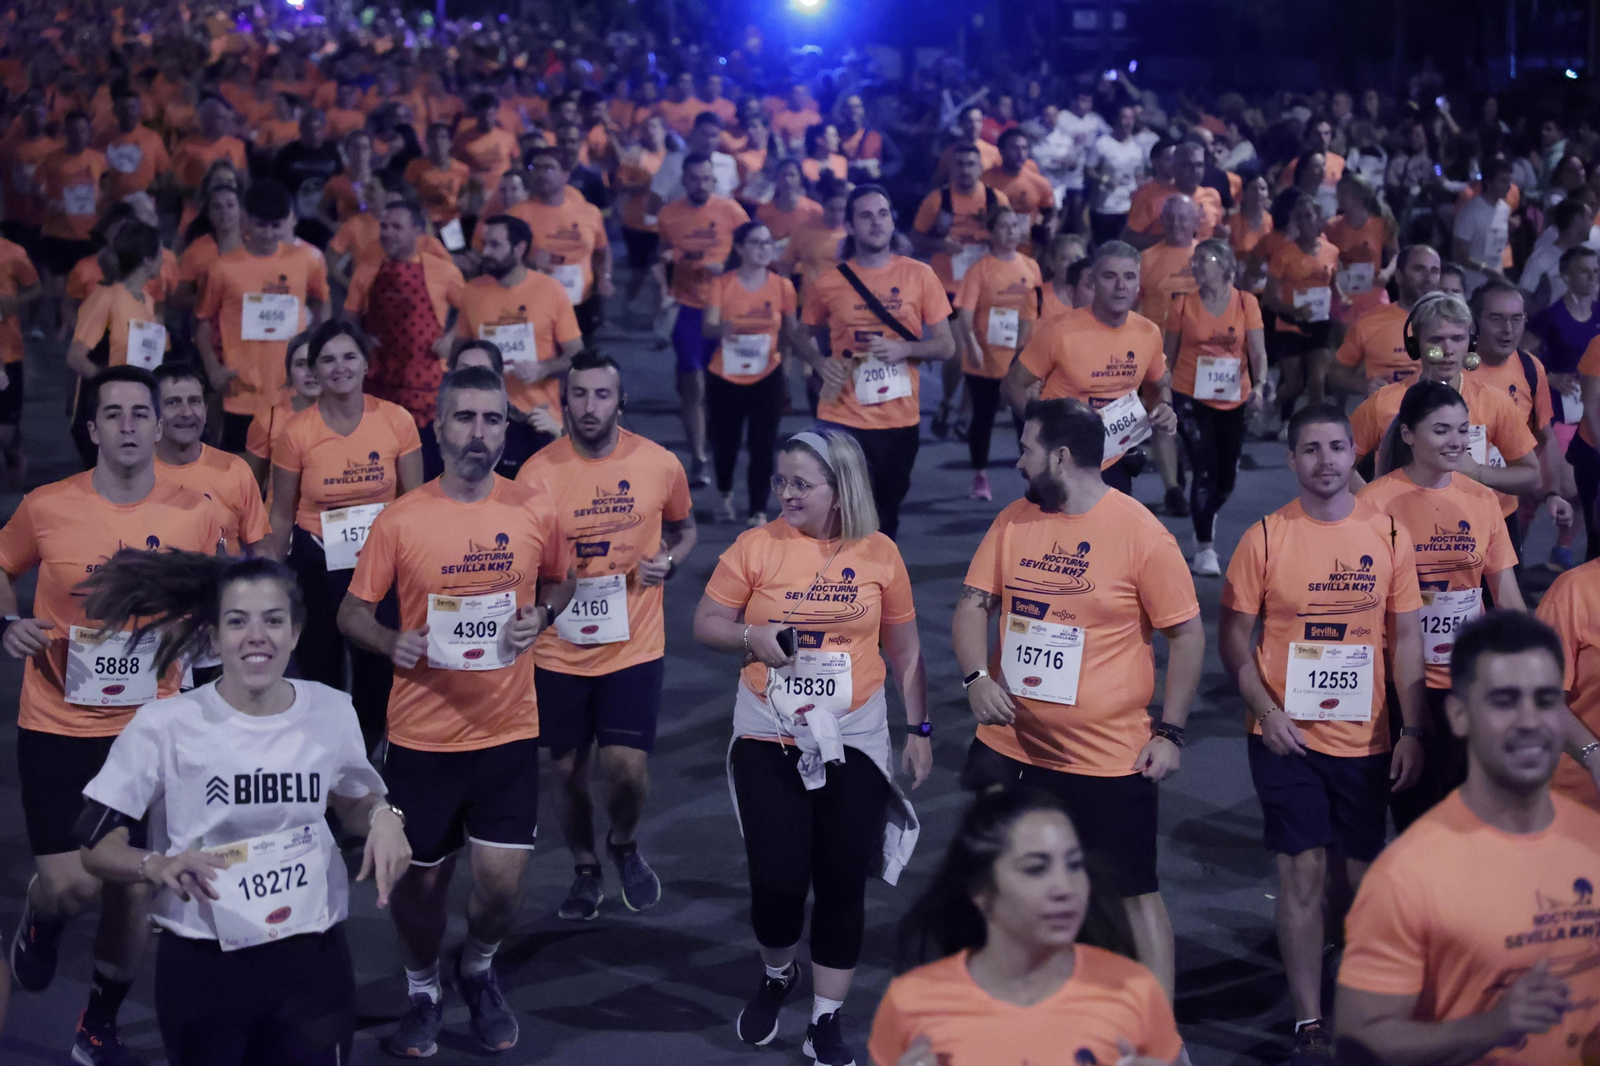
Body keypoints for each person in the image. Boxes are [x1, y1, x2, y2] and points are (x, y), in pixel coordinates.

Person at [73, 549, 411, 1063]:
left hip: (312, 957)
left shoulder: (331, 709)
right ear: (213, 636)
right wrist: (155, 864)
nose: (258, 636)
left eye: (273, 621)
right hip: (205, 965)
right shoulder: (164, 726)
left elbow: (355, 800)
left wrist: (385, 817)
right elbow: (95, 845)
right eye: (238, 622)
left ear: (295, 633)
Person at [336, 363, 571, 1056]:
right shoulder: (401, 519)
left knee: (500, 888)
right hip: (422, 739)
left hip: (507, 732)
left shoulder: (533, 507)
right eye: (464, 418)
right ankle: (421, 988)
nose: (479, 432)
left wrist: (542, 615)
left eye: (492, 419)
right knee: (420, 889)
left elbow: (561, 579)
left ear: (506, 428)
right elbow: (351, 612)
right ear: (438, 428)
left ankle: (478, 968)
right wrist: (388, 639)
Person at [1, 366, 225, 1066]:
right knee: (71, 884)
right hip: (59, 723)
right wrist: (7, 620)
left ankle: (99, 1021)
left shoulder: (197, 511)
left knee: (133, 889)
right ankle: (41, 918)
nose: (128, 425)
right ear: (92, 429)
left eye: (140, 413)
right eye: (114, 414)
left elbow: (209, 603)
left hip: (152, 729)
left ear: (159, 426)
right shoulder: (45, 506)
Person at [693, 427, 929, 1066]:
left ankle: (826, 1018)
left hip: (853, 735)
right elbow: (706, 622)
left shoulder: (879, 553)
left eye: (802, 483)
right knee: (776, 880)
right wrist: (751, 635)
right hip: (769, 731)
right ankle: (777, 976)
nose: (786, 493)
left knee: (841, 881)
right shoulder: (756, 546)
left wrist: (921, 729)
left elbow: (905, 651)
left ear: (840, 488)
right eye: (781, 481)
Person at [952, 396, 1202, 998]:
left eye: (1027, 450)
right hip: (1011, 747)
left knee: (1133, 899)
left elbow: (1187, 634)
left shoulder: (1143, 535)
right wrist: (975, 679)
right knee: (997, 887)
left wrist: (1169, 733)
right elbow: (971, 606)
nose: (1017, 463)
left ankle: (1157, 1040)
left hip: (1108, 758)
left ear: (1060, 457)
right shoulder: (1013, 520)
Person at [1218, 402, 1428, 1066]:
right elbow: (1232, 644)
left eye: (1338, 448)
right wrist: (1267, 710)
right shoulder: (1265, 538)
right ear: (1292, 460)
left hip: (1367, 737)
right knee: (1302, 869)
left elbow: (1406, 641)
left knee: (1357, 879)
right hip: (1286, 738)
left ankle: (1363, 984)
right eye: (1312, 450)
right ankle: (1309, 1020)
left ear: (1352, 454)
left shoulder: (1388, 535)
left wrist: (1413, 727)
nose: (1328, 461)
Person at [1336, 611, 1600, 1066]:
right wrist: (1492, 1026)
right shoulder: (1406, 876)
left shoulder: (1591, 843)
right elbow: (1362, 1041)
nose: (1529, 721)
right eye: (1503, 700)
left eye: (1545, 700)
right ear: (1459, 714)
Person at [517, 352, 695, 919]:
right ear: (562, 401)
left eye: (601, 395)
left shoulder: (660, 464)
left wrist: (670, 558)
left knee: (626, 769)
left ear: (621, 402)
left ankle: (622, 841)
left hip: (633, 643)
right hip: (557, 648)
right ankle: (585, 867)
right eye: (578, 395)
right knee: (565, 769)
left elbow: (685, 529)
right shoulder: (536, 474)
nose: (589, 406)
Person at [870, 788, 1185, 1066]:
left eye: (1074, 864)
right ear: (982, 891)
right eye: (1036, 868)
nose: (1064, 887)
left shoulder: (1131, 995)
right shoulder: (916, 1004)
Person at [1359, 381, 1523, 831]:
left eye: (1462, 430)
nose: (1455, 442)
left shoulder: (1482, 499)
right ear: (1409, 434)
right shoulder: (1374, 503)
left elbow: (1505, 593)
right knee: (1413, 813)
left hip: (1469, 679)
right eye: (1441, 431)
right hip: (1400, 680)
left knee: (1471, 813)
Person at [263, 320, 423, 750]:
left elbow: (416, 505)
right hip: (318, 568)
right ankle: (330, 773)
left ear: (366, 364)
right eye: (328, 359)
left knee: (377, 679)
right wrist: (272, 581)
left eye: (349, 356)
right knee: (322, 676)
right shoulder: (297, 432)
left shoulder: (397, 421)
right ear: (314, 369)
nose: (340, 367)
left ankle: (367, 762)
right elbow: (280, 513)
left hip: (383, 572)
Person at [797, 185, 958, 539]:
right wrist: (819, 362)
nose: (876, 223)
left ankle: (879, 585)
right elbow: (799, 333)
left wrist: (904, 349)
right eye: (866, 216)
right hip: (841, 416)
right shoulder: (829, 282)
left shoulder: (919, 275)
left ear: (892, 221)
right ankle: (843, 586)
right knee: (847, 512)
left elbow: (946, 347)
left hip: (899, 417)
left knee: (886, 515)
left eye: (883, 214)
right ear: (851, 226)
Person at [1001, 241, 1177, 496]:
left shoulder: (1148, 333)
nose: (1120, 286)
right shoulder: (1058, 331)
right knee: (1057, 536)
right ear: (1094, 282)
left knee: (1109, 535)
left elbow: (1159, 384)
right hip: (1062, 464)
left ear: (1139, 283)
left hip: (1114, 459)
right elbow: (1012, 386)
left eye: (1129, 277)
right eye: (1109, 276)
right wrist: (1043, 435)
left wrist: (1165, 407)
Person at [1350, 292, 1540, 513]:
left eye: (1458, 339)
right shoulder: (1383, 403)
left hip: (1483, 524)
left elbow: (1531, 475)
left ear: (1470, 342)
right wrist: (1373, 504)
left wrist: (1479, 472)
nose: (1448, 350)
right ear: (1416, 345)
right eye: (1436, 339)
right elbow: (1341, 465)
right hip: (1407, 525)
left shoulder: (1493, 402)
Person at [196, 179, 329, 452]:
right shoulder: (223, 268)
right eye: (261, 225)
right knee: (240, 476)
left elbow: (323, 300)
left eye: (276, 226)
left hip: (297, 391)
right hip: (244, 392)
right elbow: (202, 322)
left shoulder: (307, 259)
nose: (268, 234)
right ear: (245, 220)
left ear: (289, 221)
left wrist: (318, 345)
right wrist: (213, 369)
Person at [1165, 239, 1270, 576]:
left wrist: (1260, 384)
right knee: (1204, 467)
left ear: (1225, 265)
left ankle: (1206, 512)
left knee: (1225, 478)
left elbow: (1257, 353)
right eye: (1194, 260)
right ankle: (1204, 547)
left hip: (1232, 396)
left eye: (1205, 259)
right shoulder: (1182, 305)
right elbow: (1167, 354)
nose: (1197, 265)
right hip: (1189, 395)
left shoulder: (1245, 302)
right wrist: (1163, 395)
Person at [656, 154, 751, 486]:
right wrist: (668, 267)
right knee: (692, 384)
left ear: (714, 180)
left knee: (723, 386)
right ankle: (698, 457)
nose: (700, 184)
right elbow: (662, 255)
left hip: (725, 308)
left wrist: (727, 270)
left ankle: (719, 441)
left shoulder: (732, 212)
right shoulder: (669, 215)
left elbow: (750, 251)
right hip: (687, 307)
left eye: (706, 178)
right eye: (694, 178)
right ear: (684, 180)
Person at [447, 214, 579, 441]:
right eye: (485, 244)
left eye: (495, 245)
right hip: (487, 415)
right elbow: (457, 354)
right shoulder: (472, 291)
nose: (486, 252)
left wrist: (542, 369)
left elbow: (576, 354)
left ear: (519, 248)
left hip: (539, 414)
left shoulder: (551, 290)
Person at [703, 221, 802, 523]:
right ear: (740, 248)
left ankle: (758, 508)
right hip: (725, 375)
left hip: (766, 373)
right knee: (727, 441)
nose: (764, 249)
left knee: (763, 443)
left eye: (768, 243)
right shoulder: (722, 284)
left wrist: (790, 366)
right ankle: (724, 493)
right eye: (756, 243)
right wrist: (723, 328)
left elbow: (792, 331)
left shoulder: (782, 286)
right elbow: (707, 328)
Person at [912, 142, 1008, 441]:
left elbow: (1009, 235)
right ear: (951, 168)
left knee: (980, 351)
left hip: (985, 285)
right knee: (957, 351)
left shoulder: (995, 198)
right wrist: (942, 245)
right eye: (959, 164)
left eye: (971, 164)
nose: (965, 170)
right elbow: (915, 239)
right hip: (949, 287)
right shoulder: (937, 200)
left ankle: (965, 414)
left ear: (981, 168)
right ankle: (945, 403)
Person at [343, 197, 466, 427]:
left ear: (417, 231)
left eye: (396, 227)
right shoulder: (366, 270)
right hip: (377, 376)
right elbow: (349, 317)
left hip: (426, 379)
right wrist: (360, 340)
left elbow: (472, 309)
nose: (387, 233)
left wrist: (450, 338)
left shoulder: (444, 271)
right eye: (385, 226)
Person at [1465, 281, 1565, 553]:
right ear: (1474, 323)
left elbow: (1545, 438)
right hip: (1452, 509)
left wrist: (1553, 493)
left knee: (1504, 594)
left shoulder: (1531, 368)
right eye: (1496, 319)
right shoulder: (1452, 366)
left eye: (1516, 318)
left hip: (1504, 511)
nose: (1508, 330)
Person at [952, 205, 1041, 501]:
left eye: (1014, 225)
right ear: (991, 233)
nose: (1010, 231)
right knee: (984, 418)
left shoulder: (1030, 267)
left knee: (1026, 420)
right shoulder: (980, 269)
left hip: (1021, 359)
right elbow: (964, 311)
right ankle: (980, 475)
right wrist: (972, 345)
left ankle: (1033, 479)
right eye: (1003, 226)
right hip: (985, 358)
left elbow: (1038, 312)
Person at [64, 222, 168, 468]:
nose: (164, 259)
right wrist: (114, 382)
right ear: (146, 260)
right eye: (161, 253)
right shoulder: (106, 298)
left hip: (137, 415)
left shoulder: (149, 303)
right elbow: (76, 357)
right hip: (102, 415)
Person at [153, 363, 269, 557]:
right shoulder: (133, 473)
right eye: (173, 402)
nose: (187, 412)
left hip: (223, 583)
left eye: (195, 401)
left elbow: (260, 548)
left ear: (206, 409)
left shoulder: (234, 469)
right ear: (152, 411)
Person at [1264, 189, 1341, 431]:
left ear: (1319, 219)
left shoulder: (1332, 251)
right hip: (1290, 323)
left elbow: (1333, 284)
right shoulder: (1283, 254)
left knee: (1317, 381)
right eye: (1301, 217)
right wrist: (1296, 310)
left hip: (1320, 322)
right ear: (1295, 222)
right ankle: (1271, 407)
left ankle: (1315, 430)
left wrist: (1342, 300)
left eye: (1310, 216)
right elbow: (1269, 298)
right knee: (1294, 384)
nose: (1306, 222)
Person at [1330, 244, 1441, 396]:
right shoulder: (1370, 322)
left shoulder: (1456, 324)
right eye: (1419, 269)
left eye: (1435, 271)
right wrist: (1361, 385)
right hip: (1385, 416)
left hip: (1440, 416)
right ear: (1399, 276)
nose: (1428, 278)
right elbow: (1336, 372)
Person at [244, 330, 320, 494]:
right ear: (289, 372)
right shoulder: (268, 420)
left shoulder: (353, 418)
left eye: (317, 362)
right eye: (301, 364)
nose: (310, 372)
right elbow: (251, 489)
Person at [1124, 141, 1222, 249]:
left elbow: (1215, 231)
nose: (1194, 170)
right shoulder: (1150, 196)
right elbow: (1128, 238)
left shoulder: (1212, 195)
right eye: (1187, 165)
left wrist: (1221, 234)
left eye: (1199, 165)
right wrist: (1172, 239)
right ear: (1174, 168)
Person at [0, 230, 41, 485]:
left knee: (4, 428)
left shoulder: (13, 253)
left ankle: (14, 453)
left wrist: (14, 301)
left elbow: (35, 288)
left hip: (6, 352)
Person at [981, 128, 1055, 255]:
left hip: (1026, 252)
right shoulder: (984, 180)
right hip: (989, 250)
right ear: (1001, 151)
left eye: (1024, 148)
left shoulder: (1040, 183)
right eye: (1014, 148)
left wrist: (1050, 226)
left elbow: (1050, 212)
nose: (1020, 153)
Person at [1451, 155, 1516, 295]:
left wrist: (1499, 275)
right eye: (1503, 181)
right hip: (1471, 287)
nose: (1508, 187)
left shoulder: (1504, 209)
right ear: (1488, 182)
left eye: (1509, 181)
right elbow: (1459, 254)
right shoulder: (1470, 212)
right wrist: (1485, 270)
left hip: (1495, 286)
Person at [1519, 197, 1595, 311]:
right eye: (1589, 219)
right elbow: (1524, 297)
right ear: (1576, 221)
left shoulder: (1589, 258)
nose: (1592, 224)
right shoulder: (1539, 260)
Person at [97, 87, 171, 202]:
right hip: (112, 206)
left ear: (139, 110)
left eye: (132, 108)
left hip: (143, 206)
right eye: (123, 109)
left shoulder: (152, 138)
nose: (128, 113)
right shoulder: (103, 138)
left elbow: (164, 173)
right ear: (115, 111)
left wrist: (156, 191)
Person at [1086, 105, 1146, 245]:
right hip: (1105, 207)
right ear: (1116, 120)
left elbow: (1139, 176)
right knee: (1103, 246)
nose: (1128, 122)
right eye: (1124, 117)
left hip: (1127, 207)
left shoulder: (1136, 147)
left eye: (1131, 118)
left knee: (1122, 246)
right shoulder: (1102, 144)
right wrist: (1104, 179)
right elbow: (1089, 170)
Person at [650, 111, 740, 203]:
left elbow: (730, 197)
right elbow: (656, 195)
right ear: (693, 133)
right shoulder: (672, 162)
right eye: (704, 134)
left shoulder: (728, 163)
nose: (708, 141)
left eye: (713, 135)